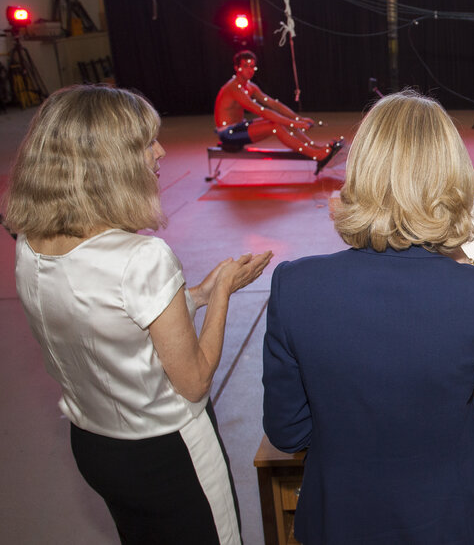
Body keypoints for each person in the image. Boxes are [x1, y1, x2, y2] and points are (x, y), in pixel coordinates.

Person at [2, 84, 273, 544]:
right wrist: (223, 293)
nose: (160, 150)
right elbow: (194, 382)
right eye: (146, 142)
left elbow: (106, 317)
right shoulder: (142, 257)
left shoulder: (30, 242)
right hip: (168, 454)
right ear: (109, 162)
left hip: (95, 446)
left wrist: (198, 294)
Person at [262, 91, 474, 544]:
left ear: (360, 173)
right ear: (454, 180)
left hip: (342, 520)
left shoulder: (294, 286)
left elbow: (288, 432)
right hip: (454, 519)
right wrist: (461, 262)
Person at [214, 50, 340, 174]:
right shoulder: (234, 88)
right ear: (237, 68)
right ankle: (317, 155)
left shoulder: (250, 86)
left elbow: (273, 104)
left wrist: (298, 119)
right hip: (228, 133)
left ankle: (316, 149)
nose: (250, 70)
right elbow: (261, 111)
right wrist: (294, 123)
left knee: (281, 121)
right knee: (275, 126)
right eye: (246, 66)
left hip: (239, 127)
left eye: (252, 66)